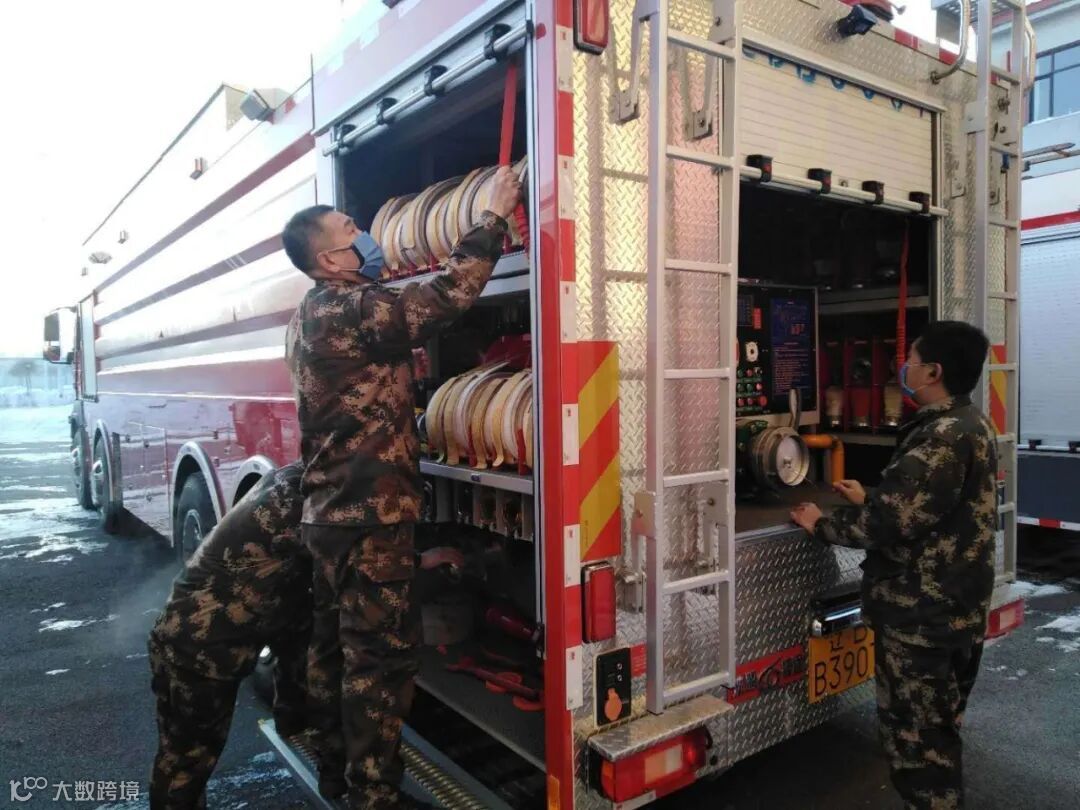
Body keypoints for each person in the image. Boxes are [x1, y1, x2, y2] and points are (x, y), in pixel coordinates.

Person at [282, 166, 522, 809]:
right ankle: (374, 797)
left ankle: (335, 773)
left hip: (329, 516)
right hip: (369, 520)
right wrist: (493, 218)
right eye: (350, 229)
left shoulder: (309, 313)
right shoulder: (350, 308)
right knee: (379, 666)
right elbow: (445, 297)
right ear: (330, 258)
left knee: (332, 652)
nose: (364, 233)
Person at [148, 462, 463, 810]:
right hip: (197, 651)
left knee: (309, 637)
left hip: (219, 638)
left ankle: (315, 749)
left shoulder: (301, 480)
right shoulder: (300, 500)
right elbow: (360, 558)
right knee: (185, 767)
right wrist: (421, 559)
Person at [791, 321, 998, 810]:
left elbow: (882, 526)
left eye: (911, 360)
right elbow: (933, 510)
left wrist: (821, 523)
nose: (903, 368)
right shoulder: (972, 423)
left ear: (933, 372)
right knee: (940, 730)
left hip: (921, 621)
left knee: (919, 749)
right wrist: (872, 496)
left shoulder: (940, 437)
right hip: (957, 613)